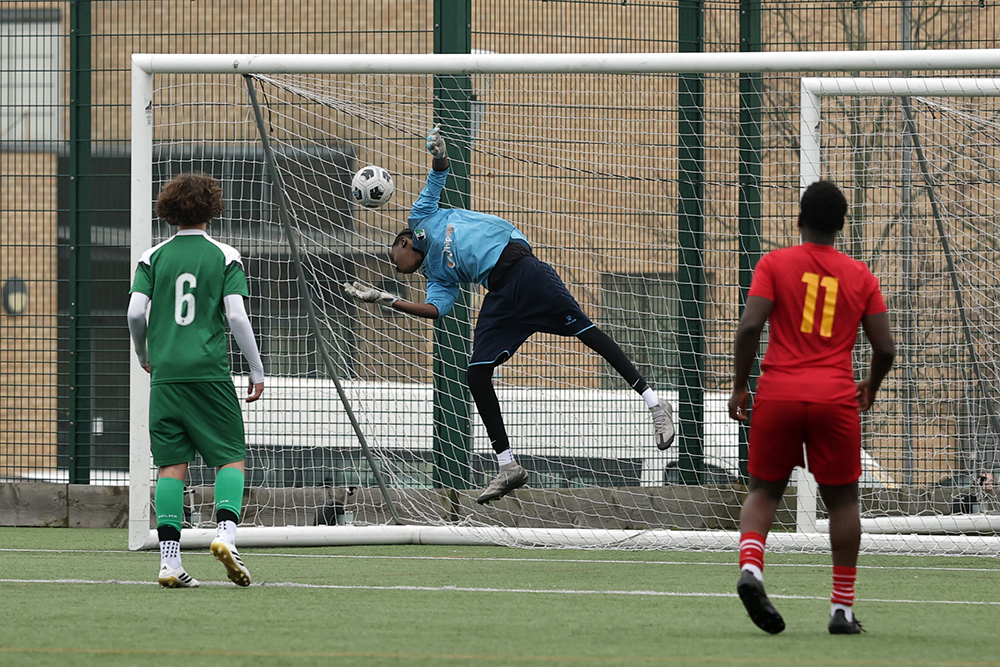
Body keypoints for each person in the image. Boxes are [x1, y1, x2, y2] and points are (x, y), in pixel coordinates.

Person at [345, 125, 674, 504]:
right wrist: (387, 300)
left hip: (524, 271)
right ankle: (508, 465)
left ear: (403, 242)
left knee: (588, 333)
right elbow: (436, 310)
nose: (397, 268)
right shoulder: (435, 275)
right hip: (500, 296)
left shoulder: (421, 218)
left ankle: (654, 403)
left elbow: (439, 174)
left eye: (394, 260)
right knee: (476, 373)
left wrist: (439, 151)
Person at [728, 180, 895, 635]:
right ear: (842, 225)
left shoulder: (774, 264)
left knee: (764, 491)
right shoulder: (861, 276)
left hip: (778, 394)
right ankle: (841, 611)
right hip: (835, 399)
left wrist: (742, 386)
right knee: (843, 501)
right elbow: (885, 348)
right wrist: (871, 386)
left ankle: (752, 570)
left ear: (798, 220)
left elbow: (748, 329)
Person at [128, 173, 265, 588]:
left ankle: (169, 562)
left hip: (165, 375)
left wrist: (144, 354)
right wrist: (256, 369)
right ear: (212, 207)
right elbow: (237, 316)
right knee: (230, 457)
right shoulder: (225, 256)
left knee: (171, 466)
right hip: (208, 372)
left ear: (168, 209)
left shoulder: (152, 258)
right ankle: (225, 536)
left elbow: (135, 314)